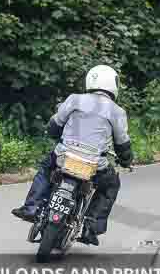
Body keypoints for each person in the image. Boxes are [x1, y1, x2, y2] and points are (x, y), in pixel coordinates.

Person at [11, 65, 133, 246]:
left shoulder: (74, 99)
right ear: (114, 85)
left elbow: (55, 124)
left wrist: (53, 133)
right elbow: (122, 143)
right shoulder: (117, 111)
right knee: (111, 185)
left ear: (90, 80)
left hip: (65, 156)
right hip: (94, 164)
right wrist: (126, 160)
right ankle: (91, 227)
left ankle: (32, 207)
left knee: (45, 169)